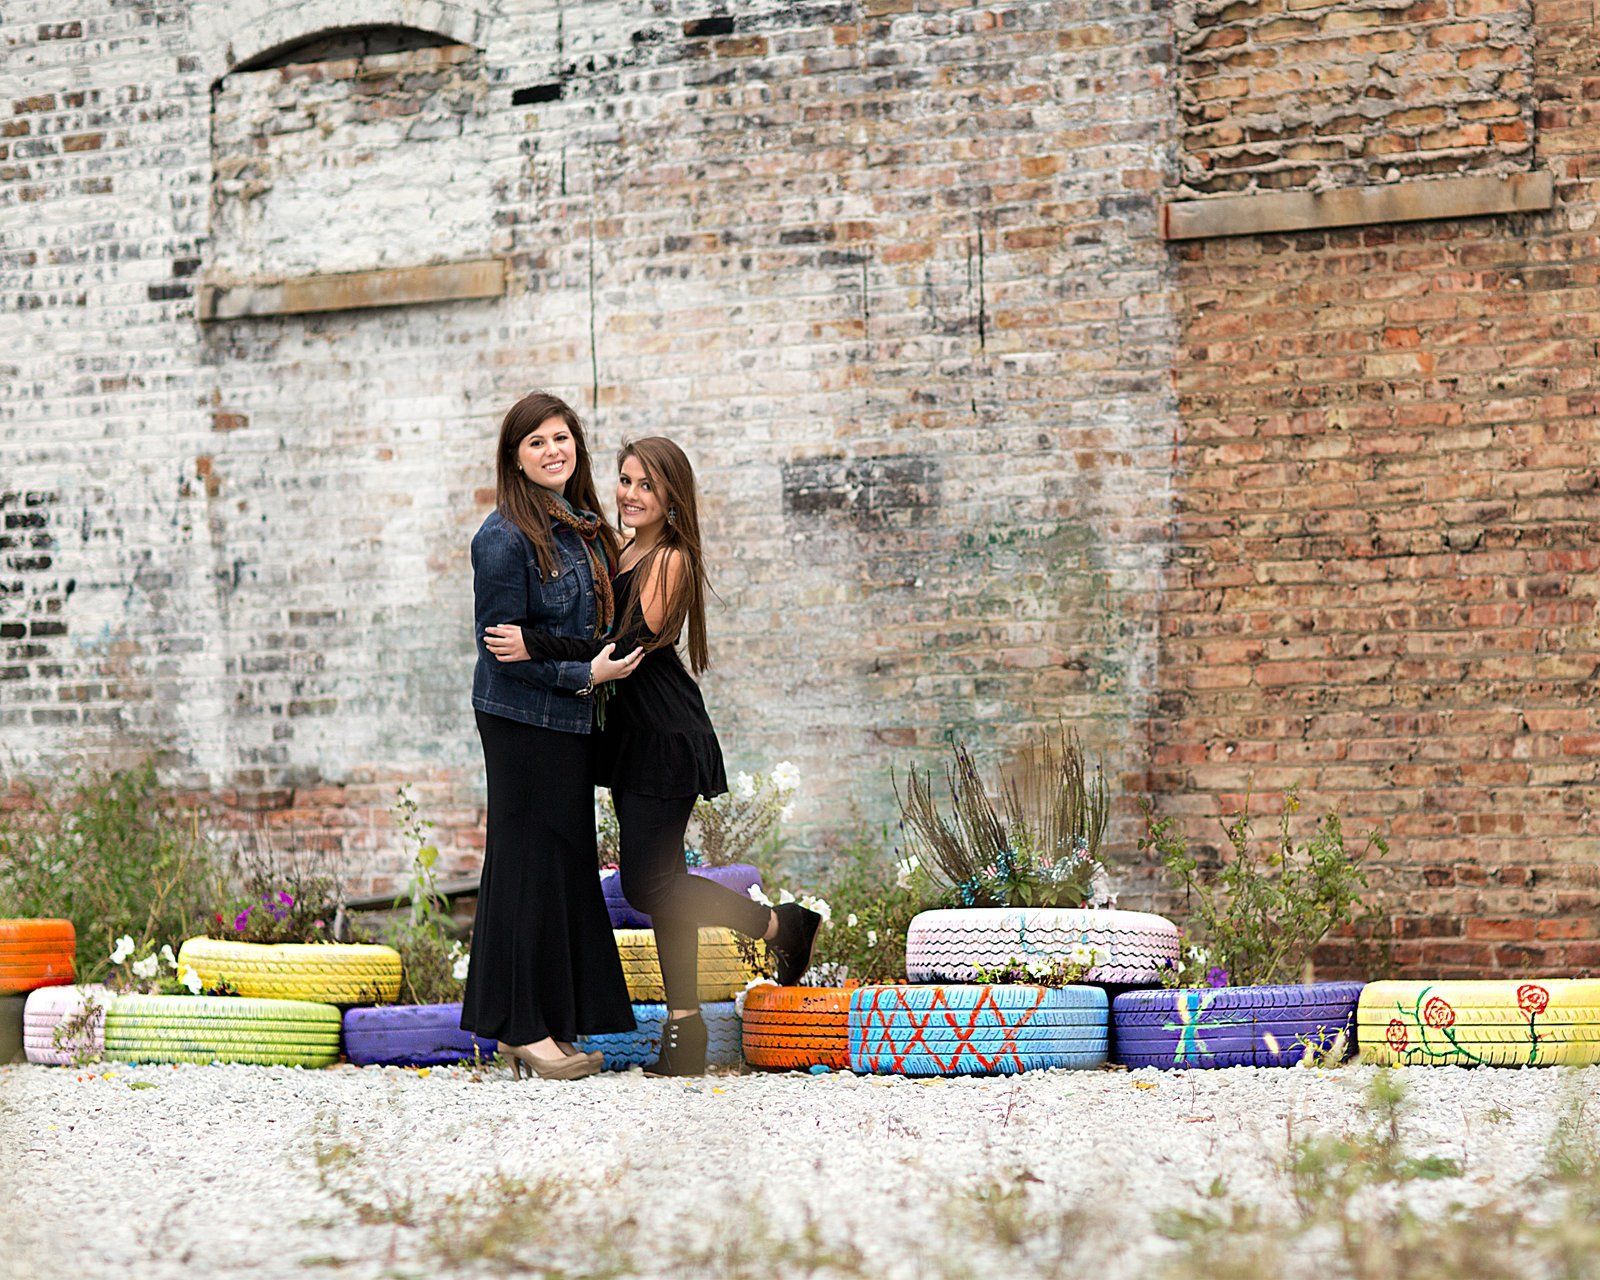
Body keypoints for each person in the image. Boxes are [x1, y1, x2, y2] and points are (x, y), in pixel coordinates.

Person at [485, 436, 820, 1076]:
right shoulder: (619, 546)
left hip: (664, 735)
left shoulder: (670, 558)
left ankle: (780, 927)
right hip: (632, 739)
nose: (631, 495)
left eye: (648, 486)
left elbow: (621, 645)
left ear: (672, 499)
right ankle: (686, 1032)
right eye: (626, 480)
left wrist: (535, 643)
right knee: (664, 886)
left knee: (649, 884)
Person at [461, 391, 645, 1082]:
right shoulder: (503, 537)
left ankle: (556, 1026)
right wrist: (584, 669)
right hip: (518, 721)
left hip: (569, 716)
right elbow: (499, 649)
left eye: (561, 437)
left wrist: (586, 667)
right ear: (515, 456)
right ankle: (524, 1030)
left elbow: (578, 633)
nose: (552, 450)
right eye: (535, 441)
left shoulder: (584, 530)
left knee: (565, 867)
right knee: (526, 866)